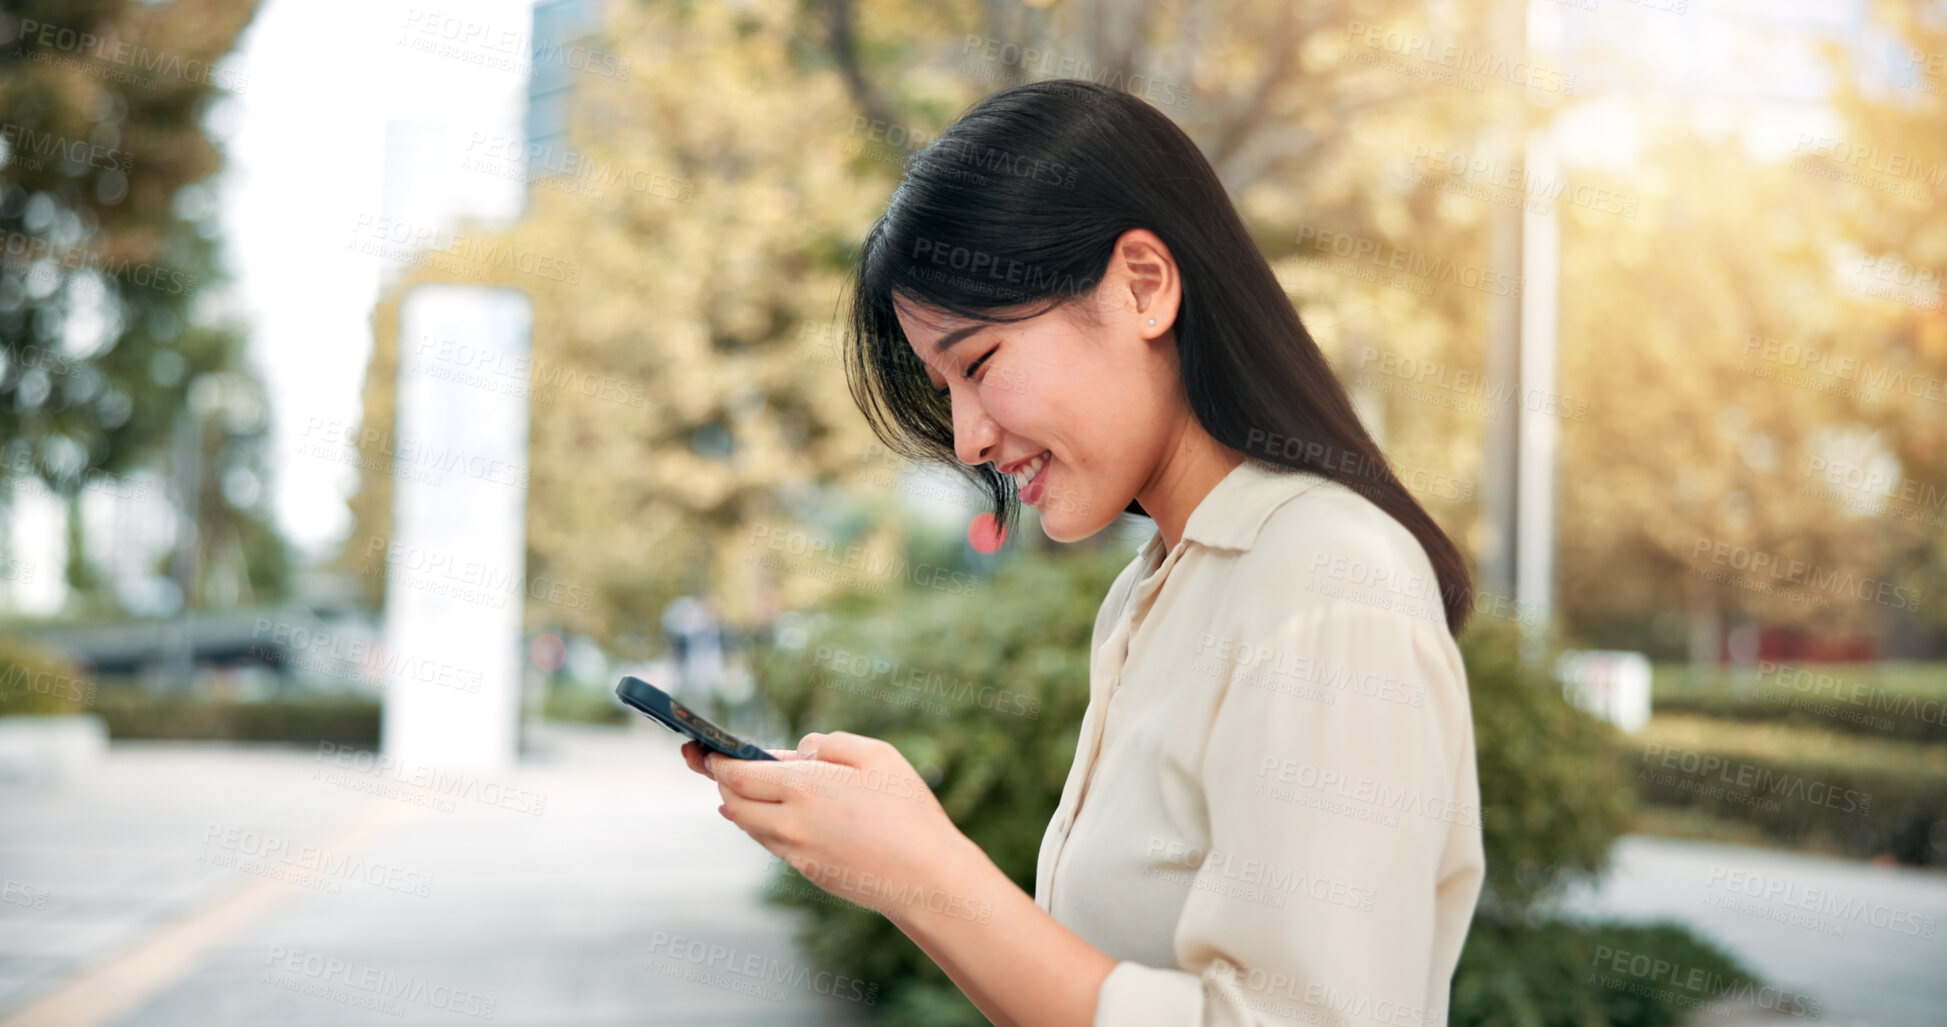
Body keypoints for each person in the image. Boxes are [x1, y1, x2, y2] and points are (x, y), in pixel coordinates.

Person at [683, 78, 1484, 1027]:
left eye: (977, 364)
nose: (968, 437)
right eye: (944, 387)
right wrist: (901, 871)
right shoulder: (1153, 592)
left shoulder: (1326, 580)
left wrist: (926, 872)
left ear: (1143, 285)